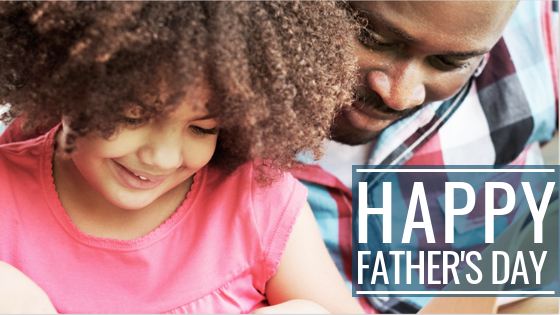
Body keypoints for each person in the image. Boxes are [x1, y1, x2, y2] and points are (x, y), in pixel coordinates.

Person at [0, 2, 365, 313]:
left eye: (203, 128)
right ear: (62, 79)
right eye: (131, 116)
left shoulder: (256, 201)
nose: (161, 157)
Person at [292, 1, 558, 313]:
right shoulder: (229, 127)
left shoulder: (542, 34)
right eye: (374, 39)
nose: (399, 95)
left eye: (447, 62)